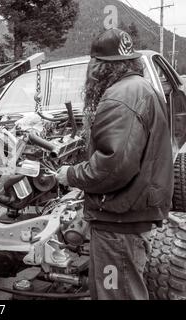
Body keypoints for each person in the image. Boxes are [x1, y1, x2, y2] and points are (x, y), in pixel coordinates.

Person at [56, 28, 173, 300]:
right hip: (134, 213)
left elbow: (113, 166)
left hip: (119, 222)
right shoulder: (140, 88)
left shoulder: (120, 97)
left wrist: (70, 174)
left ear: (100, 66)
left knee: (114, 293)